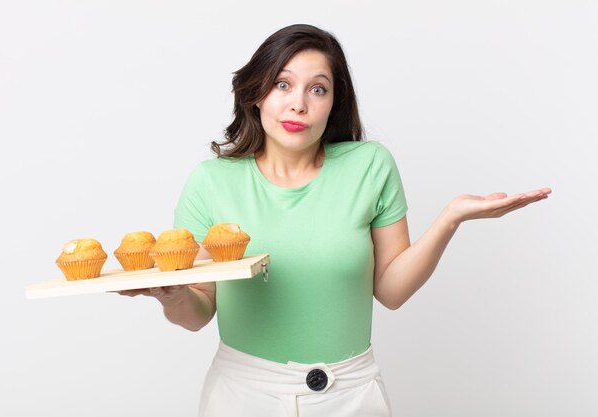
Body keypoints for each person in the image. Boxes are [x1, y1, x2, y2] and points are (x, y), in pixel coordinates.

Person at [119, 24, 551, 416]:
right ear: (256, 93)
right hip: (244, 395)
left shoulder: (370, 165)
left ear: (334, 102)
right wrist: (170, 294)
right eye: (282, 84)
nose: (299, 104)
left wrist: (451, 218)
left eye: (318, 89)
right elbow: (197, 314)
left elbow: (392, 291)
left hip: (353, 396)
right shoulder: (211, 181)